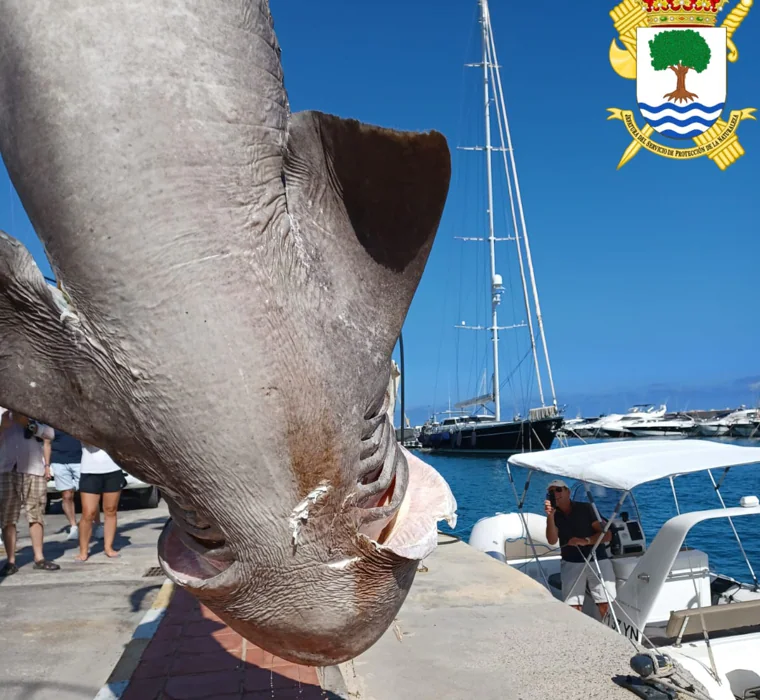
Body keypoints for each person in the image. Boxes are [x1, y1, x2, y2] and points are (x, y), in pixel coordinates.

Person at [0, 408, 60, 575]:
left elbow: (50, 434)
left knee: (36, 513)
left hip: (34, 469)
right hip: (6, 468)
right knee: (7, 516)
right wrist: (2, 427)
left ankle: (39, 558)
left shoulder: (34, 408)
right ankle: (10, 561)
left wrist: (29, 424)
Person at [544, 479, 616, 618]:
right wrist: (550, 517)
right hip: (571, 562)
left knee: (605, 602)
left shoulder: (587, 508)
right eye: (551, 492)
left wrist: (585, 541)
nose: (555, 493)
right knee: (573, 605)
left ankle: (612, 632)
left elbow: (607, 535)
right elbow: (552, 540)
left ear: (568, 492)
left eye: (558, 490)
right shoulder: (554, 515)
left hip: (597, 559)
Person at [75, 444, 125, 561]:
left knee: (111, 509)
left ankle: (108, 547)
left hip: (113, 468)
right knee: (88, 513)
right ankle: (83, 551)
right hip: (89, 470)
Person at [50, 429, 85, 541]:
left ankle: (97, 524)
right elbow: (46, 443)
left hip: (80, 459)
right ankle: (73, 526)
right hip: (59, 461)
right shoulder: (52, 421)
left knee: (89, 494)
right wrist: (46, 466)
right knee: (67, 495)